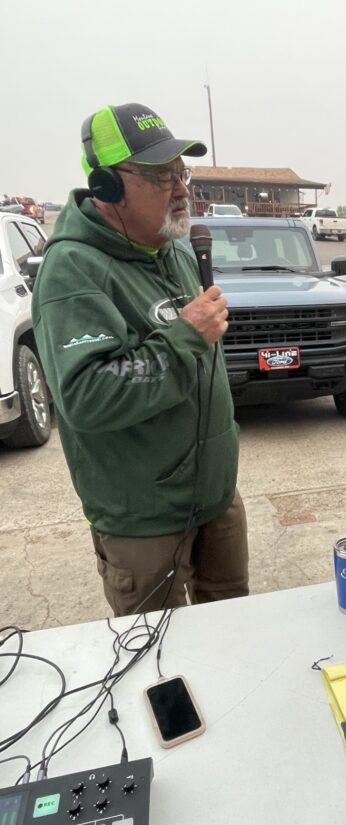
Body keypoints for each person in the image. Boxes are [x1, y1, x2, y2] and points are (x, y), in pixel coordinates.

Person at [32, 102, 249, 616]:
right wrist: (185, 337)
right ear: (107, 186)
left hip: (215, 500)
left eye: (182, 172)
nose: (180, 188)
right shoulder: (73, 270)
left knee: (238, 633)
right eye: (159, 175)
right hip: (145, 523)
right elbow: (87, 396)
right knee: (160, 663)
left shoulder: (173, 248)